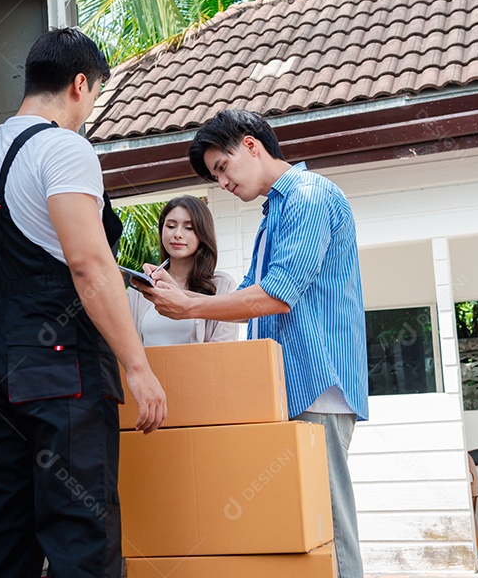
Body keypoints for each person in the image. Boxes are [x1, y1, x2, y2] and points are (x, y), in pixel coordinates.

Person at [0, 28, 167, 578]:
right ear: (80, 84)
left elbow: (20, 255)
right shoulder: (64, 147)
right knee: (81, 534)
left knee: (4, 535)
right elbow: (88, 266)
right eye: (96, 94)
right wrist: (138, 366)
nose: (90, 109)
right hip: (61, 368)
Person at [140, 109, 368, 578]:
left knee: (329, 525)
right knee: (300, 527)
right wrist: (180, 295)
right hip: (285, 387)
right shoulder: (275, 212)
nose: (221, 182)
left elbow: (275, 296)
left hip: (315, 384)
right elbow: (245, 293)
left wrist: (189, 307)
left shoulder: (307, 197)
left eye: (222, 167)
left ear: (249, 145)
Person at [127, 196, 238, 346]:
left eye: (189, 228)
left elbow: (223, 348)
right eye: (171, 226)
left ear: (203, 233)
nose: (177, 234)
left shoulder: (222, 285)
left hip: (201, 369)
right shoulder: (140, 289)